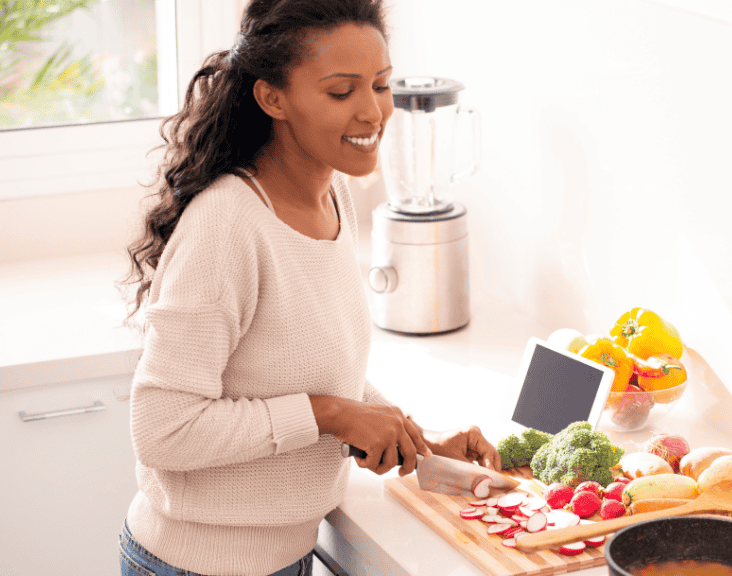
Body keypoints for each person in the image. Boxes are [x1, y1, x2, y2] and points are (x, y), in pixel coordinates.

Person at [118, 1, 500, 574]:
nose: (373, 112)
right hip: (193, 565)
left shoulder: (333, 196)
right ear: (274, 98)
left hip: (286, 557)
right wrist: (331, 416)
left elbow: (310, 365)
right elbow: (162, 429)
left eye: (381, 84)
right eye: (341, 93)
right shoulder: (228, 224)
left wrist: (416, 440)